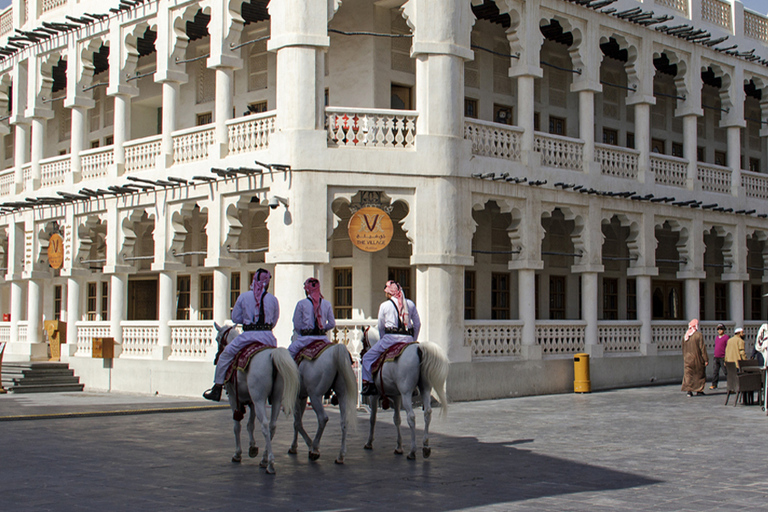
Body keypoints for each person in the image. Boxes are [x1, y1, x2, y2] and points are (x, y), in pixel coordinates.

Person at [203, 268, 279, 401]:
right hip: (268, 337)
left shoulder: (244, 296)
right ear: (267, 282)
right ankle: (277, 390)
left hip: (248, 336)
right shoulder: (272, 299)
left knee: (225, 355)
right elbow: (274, 320)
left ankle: (217, 387)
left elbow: (235, 318)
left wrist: (248, 320)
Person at [361, 280, 421, 396]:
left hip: (390, 339)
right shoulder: (410, 304)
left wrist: (383, 339)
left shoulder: (384, 305)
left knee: (367, 358)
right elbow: (417, 325)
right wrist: (413, 340)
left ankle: (369, 384)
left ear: (389, 293)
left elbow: (380, 326)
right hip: (408, 339)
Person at [289, 277, 336, 358]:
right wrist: (323, 328)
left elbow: (297, 324)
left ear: (307, 290)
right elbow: (332, 324)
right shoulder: (327, 304)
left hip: (305, 339)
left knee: (290, 353)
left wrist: (304, 331)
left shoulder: (301, 304)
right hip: (323, 339)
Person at [681, 318, 708, 397]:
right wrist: (705, 359)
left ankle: (689, 390)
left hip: (687, 359)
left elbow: (683, 348)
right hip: (697, 358)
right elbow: (702, 348)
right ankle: (699, 390)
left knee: (688, 375)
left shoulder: (685, 336)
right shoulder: (698, 335)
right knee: (699, 375)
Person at [710, 324, 728, 389]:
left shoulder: (726, 337)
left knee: (726, 371)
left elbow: (727, 347)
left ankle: (730, 383)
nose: (719, 330)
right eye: (718, 329)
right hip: (716, 357)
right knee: (715, 371)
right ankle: (714, 384)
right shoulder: (717, 337)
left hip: (723, 357)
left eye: (721, 329)